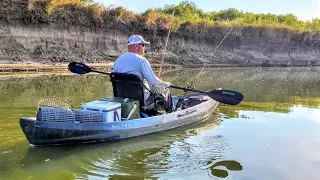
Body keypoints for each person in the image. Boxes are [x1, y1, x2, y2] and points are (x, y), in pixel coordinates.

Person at [112, 35, 173, 112]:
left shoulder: (118, 60)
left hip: (122, 99)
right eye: (143, 45)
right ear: (136, 46)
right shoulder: (141, 61)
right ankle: (170, 114)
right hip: (142, 101)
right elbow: (154, 82)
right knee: (165, 91)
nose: (144, 48)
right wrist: (166, 84)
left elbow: (114, 77)